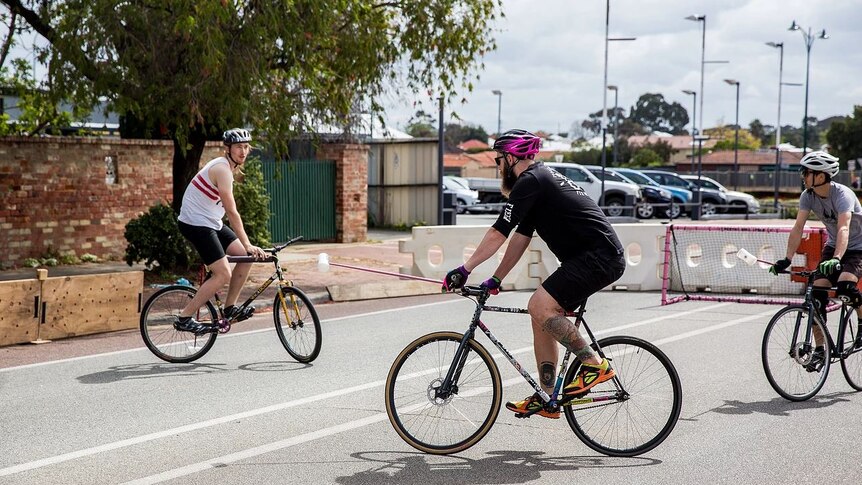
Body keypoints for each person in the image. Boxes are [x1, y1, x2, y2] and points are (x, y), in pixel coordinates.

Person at [441, 129, 626, 419]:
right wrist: (497, 279)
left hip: (598, 258)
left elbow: (498, 232)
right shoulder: (538, 180)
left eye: (498, 160)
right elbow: (520, 237)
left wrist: (465, 269)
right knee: (541, 315)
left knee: (540, 305)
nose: (497, 166)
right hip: (590, 258)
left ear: (512, 157)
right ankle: (548, 396)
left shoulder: (531, 181)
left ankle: (593, 364)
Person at [769, 151, 862, 369]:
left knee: (846, 287)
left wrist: (838, 258)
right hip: (832, 247)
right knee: (816, 298)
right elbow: (798, 227)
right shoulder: (807, 196)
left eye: (806, 172)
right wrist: (787, 258)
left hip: (857, 247)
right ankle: (821, 350)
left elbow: (843, 228)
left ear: (821, 176)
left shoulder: (843, 195)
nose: (802, 176)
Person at [174, 128, 267, 334]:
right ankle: (184, 317)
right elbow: (232, 212)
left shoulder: (229, 168)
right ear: (228, 148)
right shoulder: (222, 169)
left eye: (246, 147)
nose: (243, 152)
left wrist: (246, 248)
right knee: (223, 273)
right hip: (195, 223)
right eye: (238, 147)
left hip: (211, 222)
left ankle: (229, 309)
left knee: (245, 257)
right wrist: (249, 243)